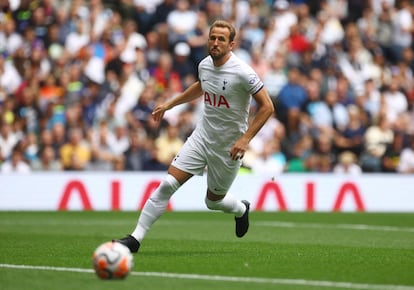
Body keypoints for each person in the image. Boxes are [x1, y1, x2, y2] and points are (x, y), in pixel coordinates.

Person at [115, 20, 274, 253]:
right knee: (167, 185)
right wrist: (170, 103)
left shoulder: (243, 72)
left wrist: (245, 139)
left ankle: (241, 209)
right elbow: (201, 86)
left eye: (221, 39)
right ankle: (135, 239)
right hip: (202, 136)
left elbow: (267, 107)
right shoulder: (204, 65)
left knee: (213, 202)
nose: (216, 42)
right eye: (212, 37)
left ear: (232, 44)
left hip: (228, 146)